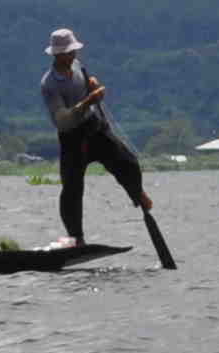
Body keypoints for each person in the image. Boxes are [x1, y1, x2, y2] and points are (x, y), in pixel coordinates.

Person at [39, 26, 152, 249]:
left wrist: (93, 82)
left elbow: (87, 78)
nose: (73, 54)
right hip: (72, 138)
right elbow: (62, 119)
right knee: (72, 189)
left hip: (94, 128)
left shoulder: (76, 64)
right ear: (57, 55)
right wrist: (88, 101)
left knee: (128, 162)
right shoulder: (49, 84)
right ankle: (76, 237)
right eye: (69, 52)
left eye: (73, 51)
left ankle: (137, 193)